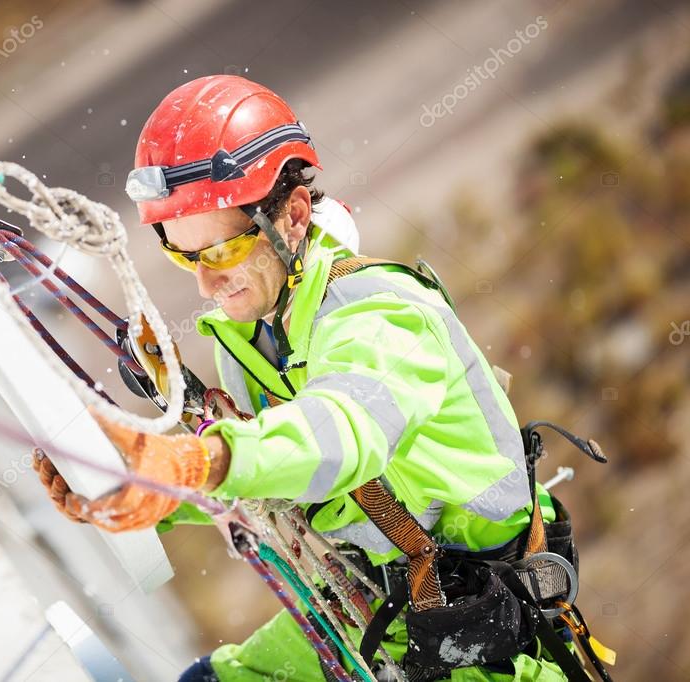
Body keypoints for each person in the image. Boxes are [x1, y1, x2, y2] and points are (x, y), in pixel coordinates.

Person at [34, 75, 585, 681]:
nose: (204, 284)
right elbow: (273, 483)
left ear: (292, 215)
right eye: (182, 255)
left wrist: (194, 460)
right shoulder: (254, 335)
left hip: (474, 642)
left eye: (219, 251)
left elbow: (337, 437)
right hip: (374, 609)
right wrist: (136, 484)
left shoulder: (382, 315)